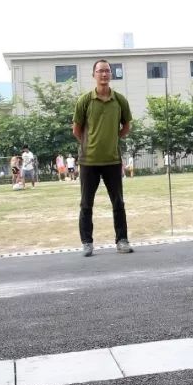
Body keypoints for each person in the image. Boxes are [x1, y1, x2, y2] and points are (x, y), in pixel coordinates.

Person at [73, 59, 134, 257]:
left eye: (107, 71)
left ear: (111, 74)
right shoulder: (84, 101)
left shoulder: (120, 100)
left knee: (118, 203)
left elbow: (126, 126)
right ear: (94, 75)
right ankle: (87, 243)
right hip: (88, 161)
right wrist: (90, 143)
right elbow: (76, 129)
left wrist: (112, 139)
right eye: (100, 71)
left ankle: (122, 240)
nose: (104, 74)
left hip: (112, 160)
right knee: (86, 204)